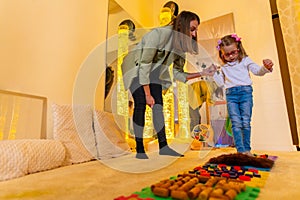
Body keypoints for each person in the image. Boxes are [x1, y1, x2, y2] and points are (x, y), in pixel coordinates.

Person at [121, 11, 215, 159]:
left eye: (196, 29)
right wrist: (147, 94)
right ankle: (140, 149)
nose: (195, 34)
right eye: (192, 29)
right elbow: (144, 63)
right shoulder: (158, 34)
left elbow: (178, 73)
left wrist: (203, 73)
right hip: (136, 67)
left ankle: (164, 147)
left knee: (158, 107)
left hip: (154, 73)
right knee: (140, 103)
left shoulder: (179, 46)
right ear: (182, 26)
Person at [211, 33, 273, 156]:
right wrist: (214, 73)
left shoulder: (245, 60)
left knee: (245, 121)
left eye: (233, 52)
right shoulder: (223, 67)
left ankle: (247, 149)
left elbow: (257, 71)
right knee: (236, 123)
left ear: (238, 48)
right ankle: (240, 150)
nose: (231, 56)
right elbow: (220, 83)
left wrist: (265, 67)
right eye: (227, 54)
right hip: (231, 95)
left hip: (245, 93)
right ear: (222, 54)